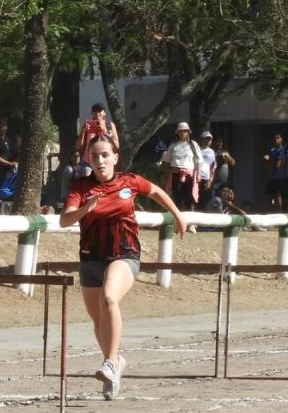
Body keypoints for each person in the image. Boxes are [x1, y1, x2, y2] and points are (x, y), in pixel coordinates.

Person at [60, 134, 187, 400]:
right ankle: (115, 365)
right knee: (98, 321)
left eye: (105, 155)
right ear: (88, 159)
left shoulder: (128, 181)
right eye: (94, 156)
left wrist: (177, 214)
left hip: (124, 254)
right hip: (91, 258)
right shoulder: (81, 187)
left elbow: (156, 191)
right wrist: (85, 209)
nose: (100, 160)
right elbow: (64, 220)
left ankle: (109, 363)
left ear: (115, 157)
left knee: (109, 296)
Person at [161, 122, 201, 215]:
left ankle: (191, 223)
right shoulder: (173, 146)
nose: (183, 133)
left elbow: (199, 161)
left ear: (188, 132)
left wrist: (198, 174)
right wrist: (168, 171)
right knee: (177, 197)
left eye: (185, 131)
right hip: (176, 174)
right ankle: (177, 221)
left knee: (189, 198)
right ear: (177, 133)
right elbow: (166, 162)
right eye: (181, 131)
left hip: (189, 175)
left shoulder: (193, 145)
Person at [74, 103, 120, 177]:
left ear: (104, 113)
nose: (97, 113)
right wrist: (82, 132)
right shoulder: (87, 125)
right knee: (87, 178)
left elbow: (116, 146)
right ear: (92, 114)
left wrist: (105, 130)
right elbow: (78, 147)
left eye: (99, 111)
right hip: (88, 162)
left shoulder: (109, 126)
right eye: (94, 111)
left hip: (104, 162)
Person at [263, 133, 284, 213]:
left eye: (278, 138)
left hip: (280, 177)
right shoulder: (272, 150)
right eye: (275, 138)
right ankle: (271, 213)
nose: (276, 140)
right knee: (270, 196)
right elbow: (268, 165)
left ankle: (280, 213)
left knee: (278, 196)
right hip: (271, 177)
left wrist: (269, 159)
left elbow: (278, 165)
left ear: (281, 139)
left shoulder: (282, 149)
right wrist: (267, 161)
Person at [197, 131, 217, 209]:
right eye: (206, 139)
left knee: (205, 200)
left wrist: (210, 181)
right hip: (196, 177)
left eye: (209, 139)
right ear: (202, 139)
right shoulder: (196, 149)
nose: (207, 141)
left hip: (206, 178)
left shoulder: (212, 152)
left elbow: (213, 167)